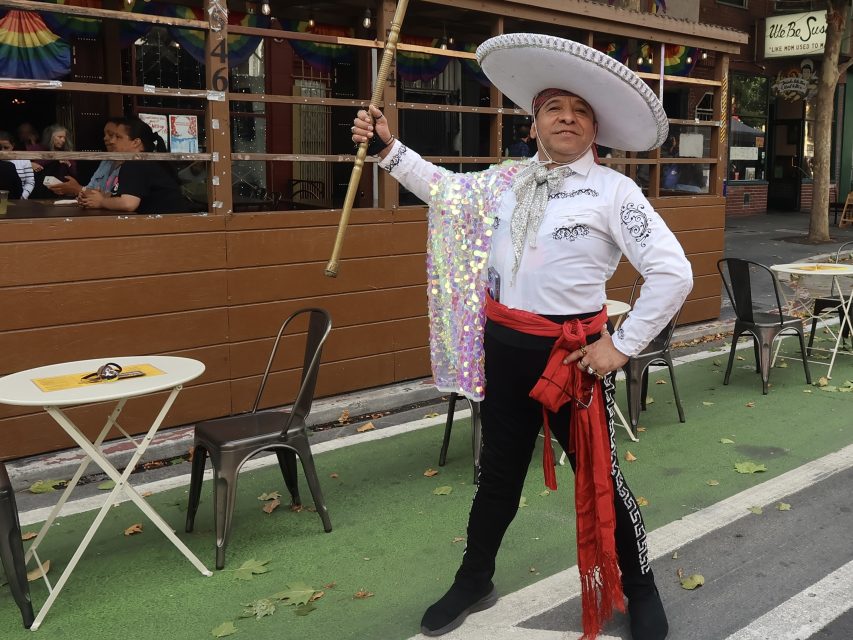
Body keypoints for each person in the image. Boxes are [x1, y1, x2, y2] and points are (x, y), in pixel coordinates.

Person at [352, 34, 691, 640]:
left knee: (601, 479)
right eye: (554, 108)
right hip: (503, 350)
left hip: (572, 361)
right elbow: (444, 191)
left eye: (580, 111)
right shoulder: (503, 182)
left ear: (596, 130)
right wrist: (388, 149)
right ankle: (474, 579)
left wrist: (621, 345)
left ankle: (640, 591)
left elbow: (673, 273)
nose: (567, 117)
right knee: (497, 475)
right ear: (533, 124)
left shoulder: (616, 192)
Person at [78, 116, 192, 214]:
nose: (112, 141)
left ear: (136, 142)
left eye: (118, 137)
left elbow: (128, 203)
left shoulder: (136, 162)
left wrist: (101, 202)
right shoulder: (145, 161)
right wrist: (97, 198)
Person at [46, 118, 121, 198]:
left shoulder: (131, 165)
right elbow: (90, 188)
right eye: (105, 135)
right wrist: (76, 192)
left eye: (112, 135)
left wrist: (77, 189)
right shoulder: (105, 161)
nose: (105, 138)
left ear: (134, 142)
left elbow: (115, 199)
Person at [0, 132, 35, 199]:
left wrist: (22, 196)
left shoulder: (23, 160)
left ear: (13, 145)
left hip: (19, 200)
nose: (2, 151)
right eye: (0, 148)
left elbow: (30, 182)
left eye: (6, 147)